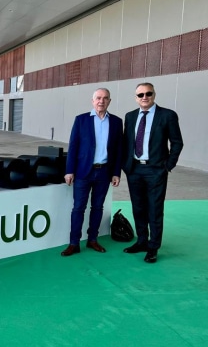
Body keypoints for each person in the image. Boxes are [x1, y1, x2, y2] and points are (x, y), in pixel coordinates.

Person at [121, 82, 184, 263]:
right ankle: (142, 241)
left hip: (155, 170)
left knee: (155, 209)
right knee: (138, 208)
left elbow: (177, 142)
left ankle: (153, 247)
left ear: (154, 95)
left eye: (148, 93)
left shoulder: (167, 115)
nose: (144, 97)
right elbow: (127, 142)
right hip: (134, 170)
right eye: (140, 95)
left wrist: (168, 165)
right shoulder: (130, 116)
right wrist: (126, 165)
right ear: (136, 98)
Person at [61, 88, 123, 257]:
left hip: (104, 173)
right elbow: (73, 146)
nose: (101, 101)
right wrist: (69, 171)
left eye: (105, 98)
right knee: (78, 208)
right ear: (92, 101)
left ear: (109, 101)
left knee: (97, 207)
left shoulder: (116, 122)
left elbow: (119, 150)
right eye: (98, 98)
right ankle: (74, 243)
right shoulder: (81, 120)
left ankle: (92, 239)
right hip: (83, 172)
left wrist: (116, 173)